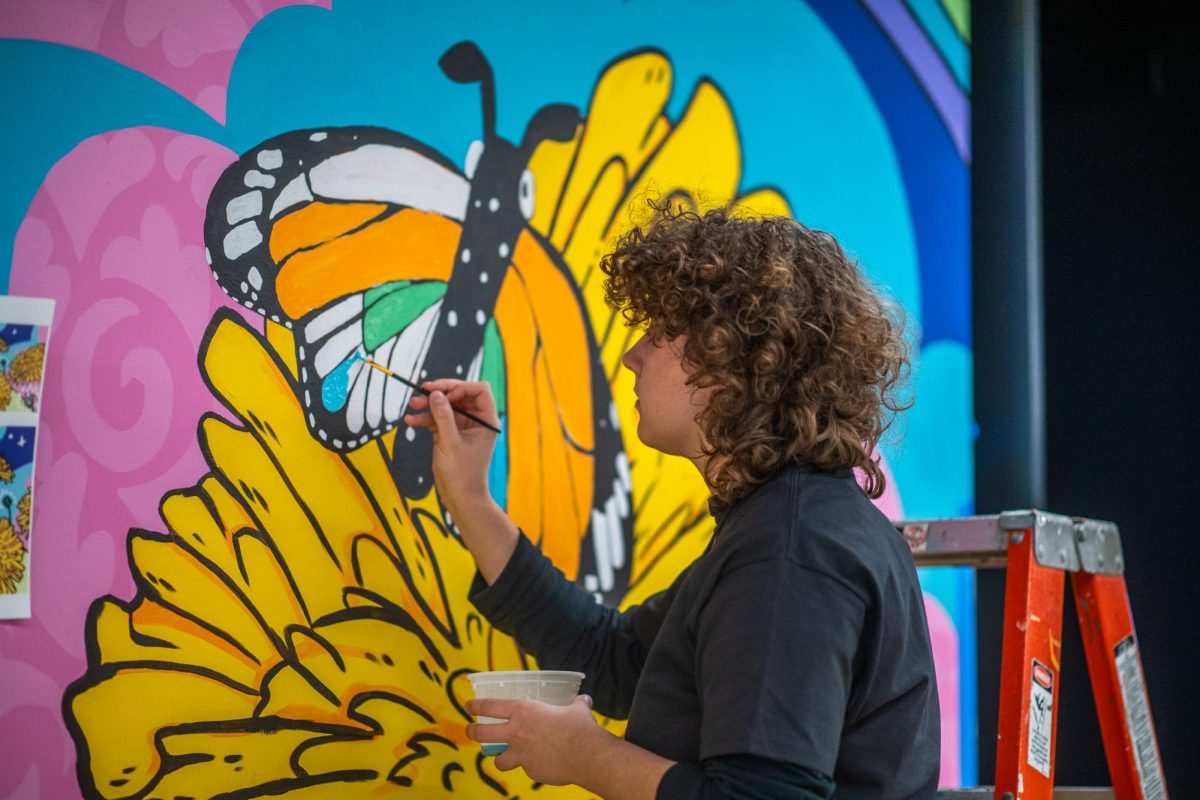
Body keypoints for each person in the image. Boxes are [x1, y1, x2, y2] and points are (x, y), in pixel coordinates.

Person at [403, 202, 940, 799]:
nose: (633, 355)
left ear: (733, 362)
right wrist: (471, 498)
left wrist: (582, 753)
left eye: (659, 333)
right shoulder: (788, 522)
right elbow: (615, 661)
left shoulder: (789, 550)